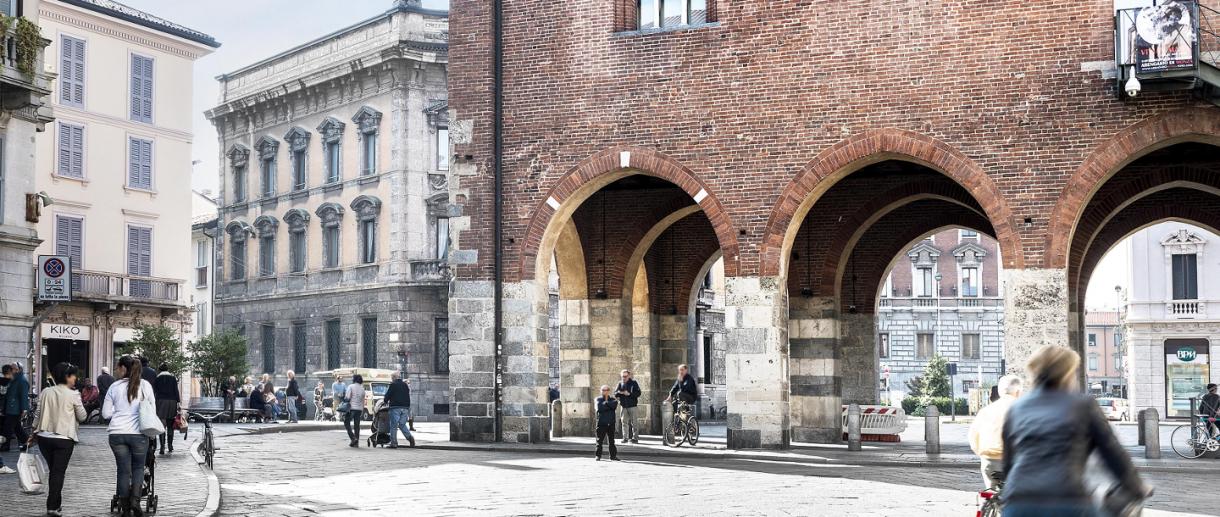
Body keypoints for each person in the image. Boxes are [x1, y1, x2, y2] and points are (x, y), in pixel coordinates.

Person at [1001, 345, 1150, 517]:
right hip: (1067, 500)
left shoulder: (1017, 408)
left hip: (1018, 501)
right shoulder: (1083, 405)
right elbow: (1112, 453)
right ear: (1067, 374)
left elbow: (1008, 463)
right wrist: (1136, 487)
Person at [30, 362, 87, 516]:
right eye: (74, 375)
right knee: (58, 472)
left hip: (44, 438)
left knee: (54, 471)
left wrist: (32, 433)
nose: (76, 378)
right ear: (67, 376)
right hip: (64, 438)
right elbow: (82, 417)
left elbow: (37, 414)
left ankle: (56, 504)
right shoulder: (73, 394)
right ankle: (52, 506)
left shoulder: (46, 392)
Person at [103, 355, 156, 517]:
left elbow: (105, 414)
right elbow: (152, 411)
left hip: (117, 434)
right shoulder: (145, 386)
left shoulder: (114, 387)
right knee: (139, 468)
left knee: (123, 470)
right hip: (139, 435)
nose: (116, 370)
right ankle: (135, 501)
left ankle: (125, 508)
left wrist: (119, 412)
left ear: (123, 368)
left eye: (117, 367)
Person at [968, 375, 1022, 489]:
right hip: (1013, 461)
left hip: (989, 460)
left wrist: (982, 453)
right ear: (1018, 392)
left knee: (991, 491)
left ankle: (988, 502)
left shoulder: (986, 411)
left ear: (1000, 391)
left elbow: (973, 437)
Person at [152, 365, 180, 455]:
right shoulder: (173, 378)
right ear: (168, 370)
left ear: (159, 370)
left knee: (162, 425)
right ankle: (170, 445)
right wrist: (178, 402)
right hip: (172, 402)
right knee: (171, 424)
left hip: (160, 402)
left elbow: (154, 391)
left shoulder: (158, 378)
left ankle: (162, 447)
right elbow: (176, 391)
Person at [3, 362, 31, 452]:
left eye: (13, 368)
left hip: (15, 409)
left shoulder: (22, 380)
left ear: (19, 369)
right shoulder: (14, 379)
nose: (11, 370)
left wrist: (24, 409)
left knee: (7, 427)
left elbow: (23, 396)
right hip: (11, 408)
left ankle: (5, 445)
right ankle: (28, 442)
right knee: (17, 428)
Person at [384, 372, 415, 448]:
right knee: (402, 424)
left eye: (392, 378)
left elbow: (388, 395)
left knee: (393, 426)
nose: (391, 379)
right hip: (405, 407)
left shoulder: (393, 385)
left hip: (395, 407)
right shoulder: (405, 385)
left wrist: (385, 401)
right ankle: (410, 438)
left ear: (394, 377)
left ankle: (394, 443)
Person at [615, 369, 642, 444]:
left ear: (629, 375)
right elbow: (615, 393)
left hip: (633, 406)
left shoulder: (634, 383)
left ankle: (635, 438)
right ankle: (625, 438)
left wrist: (629, 394)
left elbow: (638, 393)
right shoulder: (620, 383)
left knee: (634, 422)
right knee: (624, 423)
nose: (623, 378)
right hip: (623, 406)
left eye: (625, 376)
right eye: (622, 376)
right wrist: (620, 392)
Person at [594, 385, 619, 461]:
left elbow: (614, 405)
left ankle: (613, 456)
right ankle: (598, 456)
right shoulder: (598, 399)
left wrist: (605, 403)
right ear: (601, 391)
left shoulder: (613, 399)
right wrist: (609, 405)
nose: (605, 391)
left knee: (612, 441)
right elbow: (599, 408)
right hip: (602, 423)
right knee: (599, 441)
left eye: (606, 390)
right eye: (603, 390)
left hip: (611, 422)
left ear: (609, 391)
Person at [343, 374, 366, 447]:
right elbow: (363, 400)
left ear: (354, 379)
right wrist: (362, 409)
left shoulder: (351, 386)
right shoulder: (362, 388)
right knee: (357, 425)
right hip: (359, 409)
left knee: (346, 422)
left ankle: (353, 438)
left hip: (351, 408)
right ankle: (356, 442)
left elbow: (347, 397)